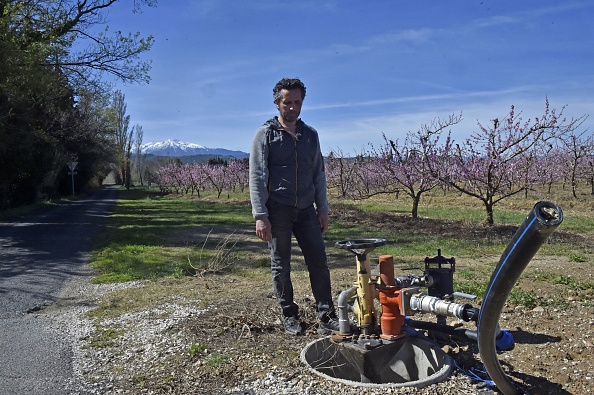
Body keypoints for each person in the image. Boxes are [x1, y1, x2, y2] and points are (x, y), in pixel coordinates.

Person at [249, 78, 339, 336]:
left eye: (297, 102)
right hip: (277, 209)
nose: (292, 107)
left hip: (306, 210)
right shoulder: (265, 135)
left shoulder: (310, 135)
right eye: (287, 102)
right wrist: (260, 215)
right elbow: (256, 175)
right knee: (281, 264)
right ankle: (289, 315)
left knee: (319, 262)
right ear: (277, 102)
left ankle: (326, 315)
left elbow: (318, 174)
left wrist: (323, 209)